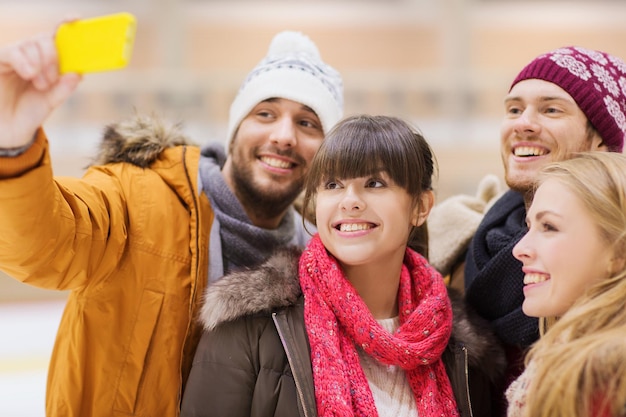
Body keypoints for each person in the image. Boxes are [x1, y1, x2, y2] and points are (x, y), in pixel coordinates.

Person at [0, 26, 343, 417]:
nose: (284, 136)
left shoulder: (321, 260)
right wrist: (12, 145)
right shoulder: (137, 197)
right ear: (235, 130)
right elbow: (41, 245)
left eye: (308, 124)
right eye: (265, 113)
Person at [180, 115, 506, 417]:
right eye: (333, 184)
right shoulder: (250, 327)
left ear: (420, 207)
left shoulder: (461, 347)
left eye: (375, 183)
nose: (349, 200)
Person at [427, 45, 626, 413]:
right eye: (514, 109)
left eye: (551, 109)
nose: (523, 123)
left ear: (602, 139)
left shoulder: (605, 370)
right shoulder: (459, 245)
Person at [506, 152, 626, 417]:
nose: (520, 248)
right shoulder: (559, 363)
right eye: (529, 227)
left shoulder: (604, 383)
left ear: (619, 252)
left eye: (549, 227)